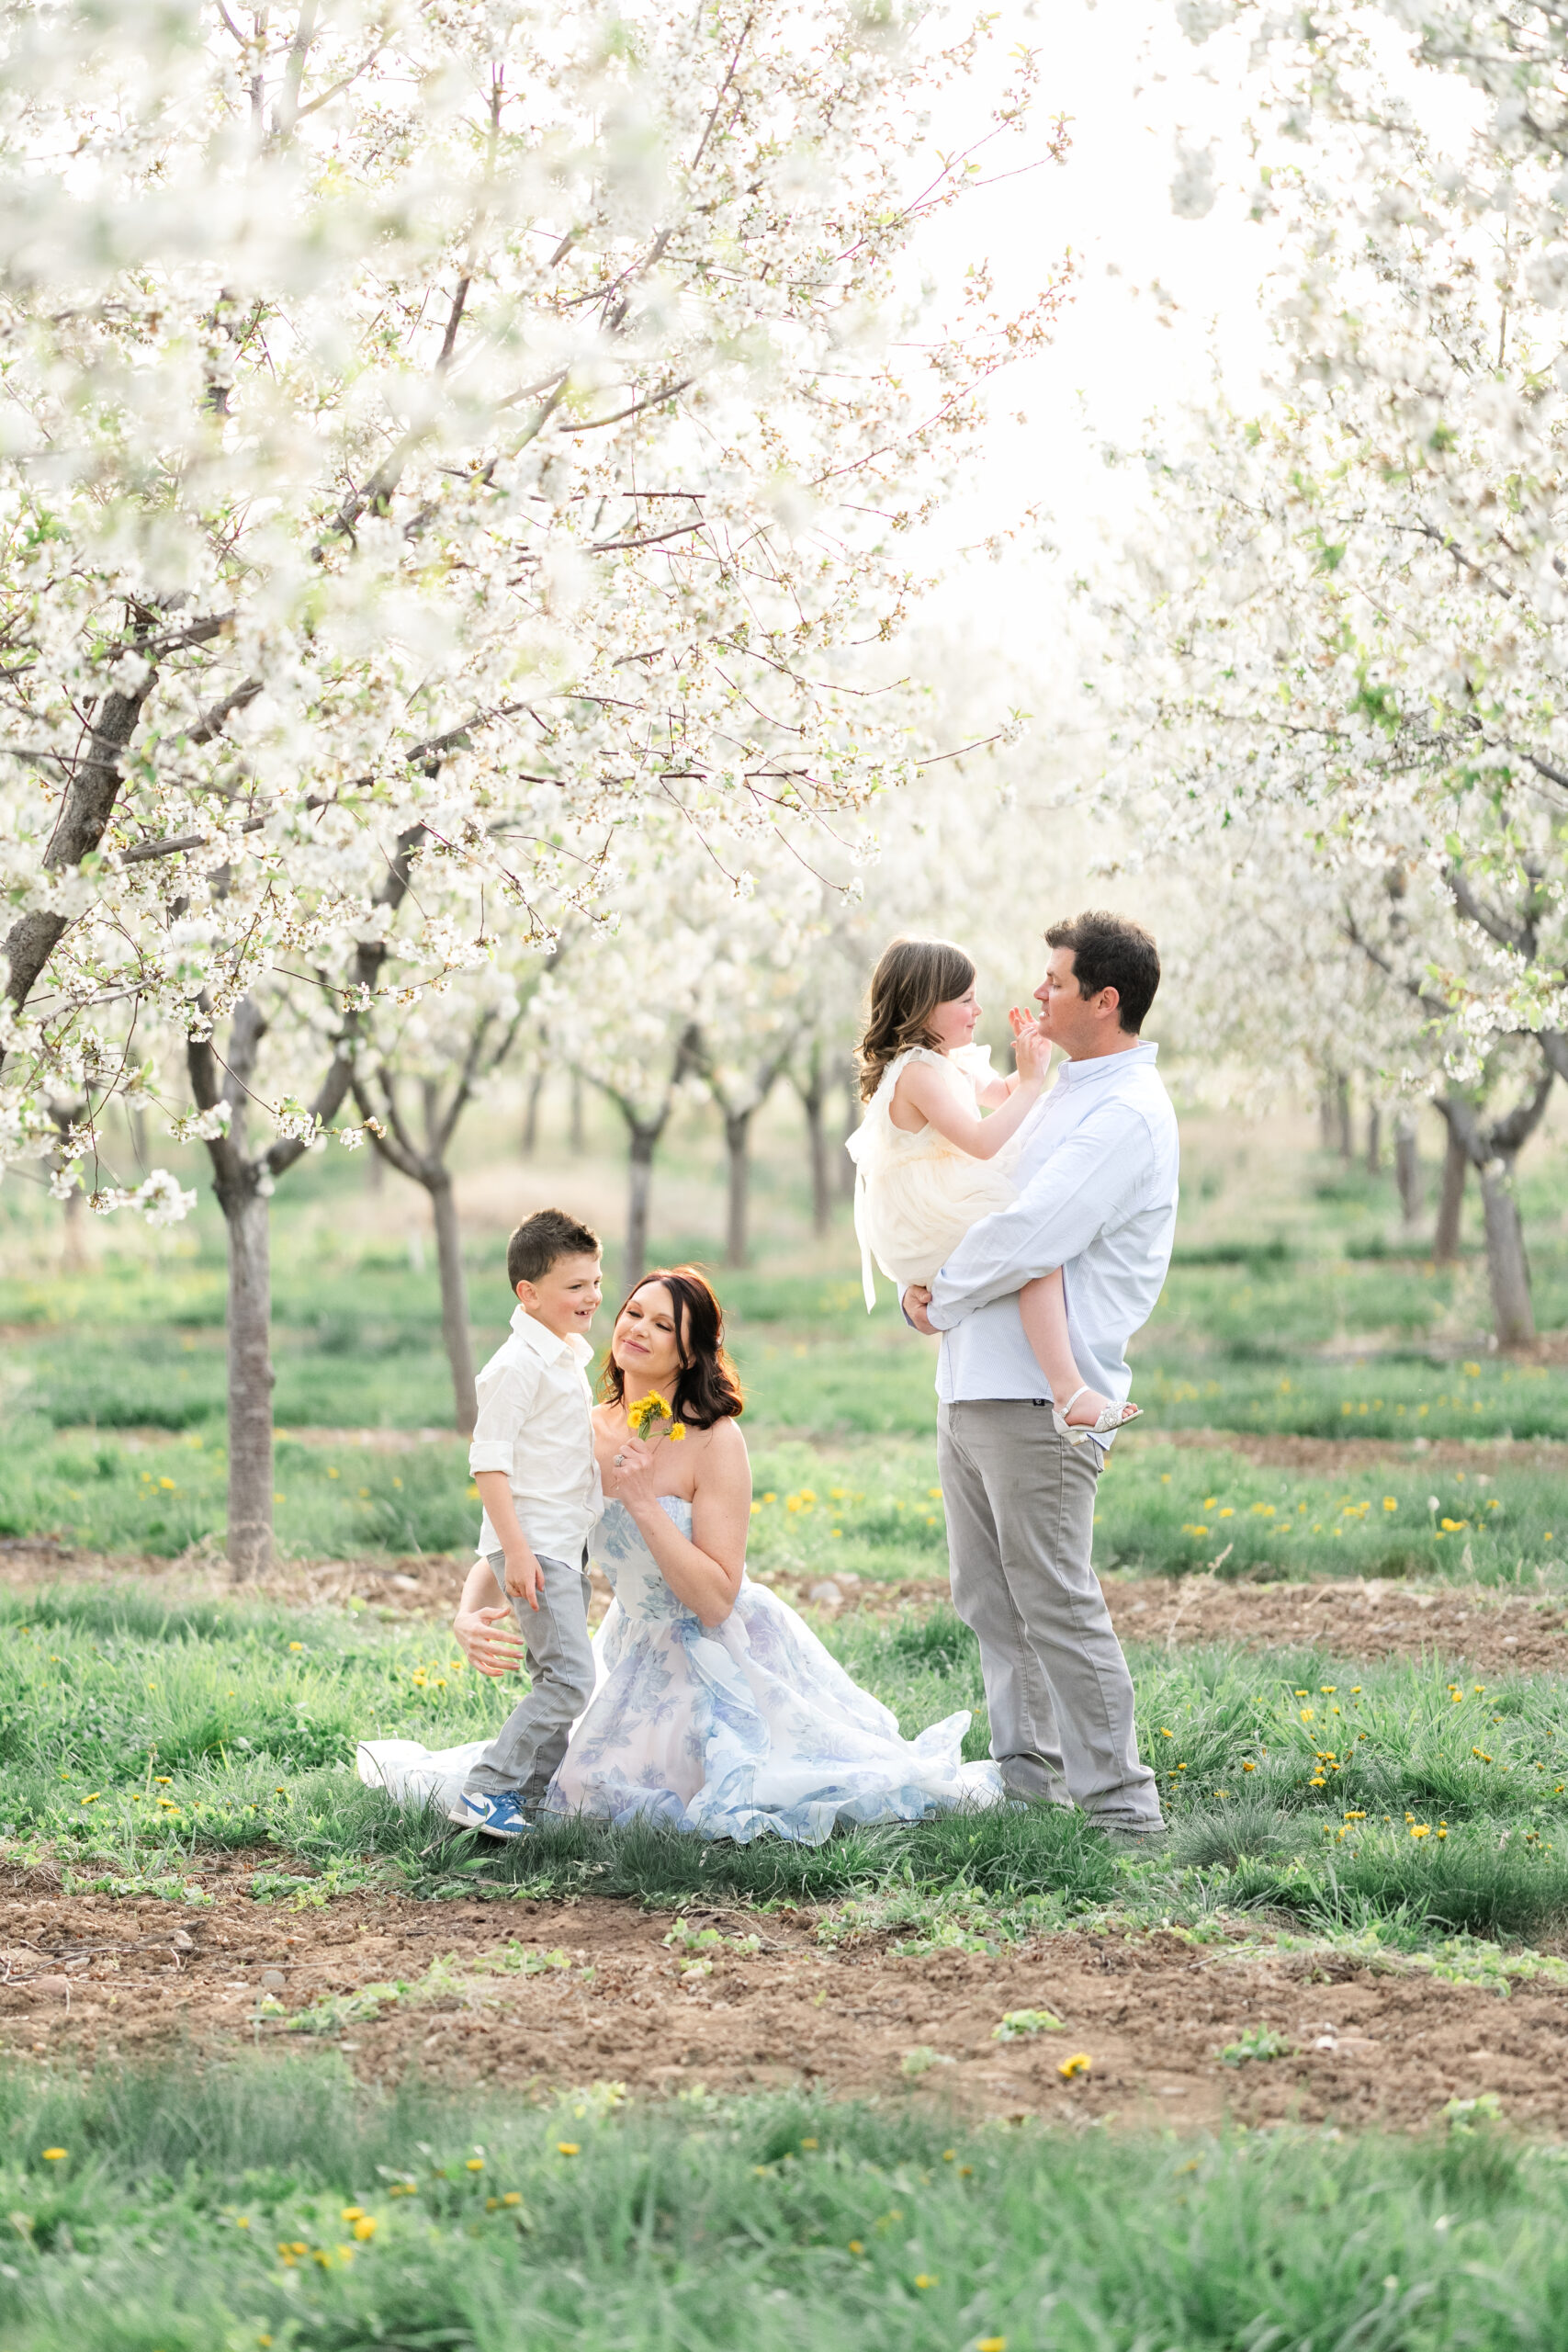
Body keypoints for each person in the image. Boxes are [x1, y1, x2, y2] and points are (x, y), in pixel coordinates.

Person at [361, 1268, 1001, 1841]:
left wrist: (641, 1501)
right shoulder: (580, 1426)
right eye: (633, 1312)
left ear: (690, 1350)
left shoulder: (714, 1439)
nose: (638, 1329)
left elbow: (716, 1598)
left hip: (724, 1649)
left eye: (663, 1324)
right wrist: (469, 1610)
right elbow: (523, 1534)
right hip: (633, 1647)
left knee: (736, 1790)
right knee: (577, 1796)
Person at [903, 911, 1178, 1839]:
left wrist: (940, 1293)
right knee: (988, 1598)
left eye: (1057, 980)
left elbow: (1032, 1234)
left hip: (1038, 1399)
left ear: (1107, 1000)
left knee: (1055, 1600)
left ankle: (1123, 1816)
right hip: (974, 1380)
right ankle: (1031, 1791)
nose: (1041, 990)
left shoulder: (1124, 1113)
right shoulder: (1064, 1088)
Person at [847, 936, 1140, 1443]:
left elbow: (997, 1095)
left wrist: (1031, 1064)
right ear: (921, 1006)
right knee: (1035, 1247)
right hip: (928, 1211)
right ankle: (1070, 1392)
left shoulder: (947, 1062)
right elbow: (982, 1141)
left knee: (1031, 1243)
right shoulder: (916, 1072)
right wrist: (1029, 1086)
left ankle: (1069, 1392)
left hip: (938, 1203)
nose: (977, 1010)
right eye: (964, 1001)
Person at [440, 1206, 605, 1839]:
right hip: (537, 1547)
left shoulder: (561, 1357)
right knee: (569, 1680)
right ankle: (487, 1789)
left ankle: (531, 1797)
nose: (591, 1296)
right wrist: (518, 1552)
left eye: (594, 1281)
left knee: (555, 1676)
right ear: (528, 1294)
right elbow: (489, 1464)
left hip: (563, 1545)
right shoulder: (517, 1365)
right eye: (575, 1286)